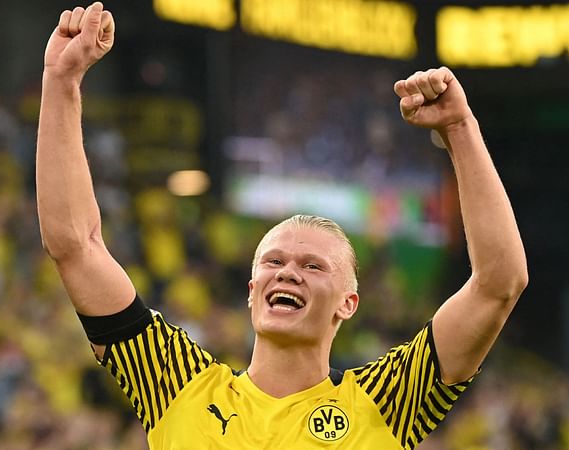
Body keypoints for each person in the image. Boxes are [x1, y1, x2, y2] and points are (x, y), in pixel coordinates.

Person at [36, 3, 528, 448]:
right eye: (273, 261)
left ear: (348, 303)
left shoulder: (385, 401)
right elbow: (77, 246)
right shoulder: (177, 384)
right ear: (252, 290)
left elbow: (498, 284)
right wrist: (61, 82)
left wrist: (461, 130)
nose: (288, 272)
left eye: (313, 266)